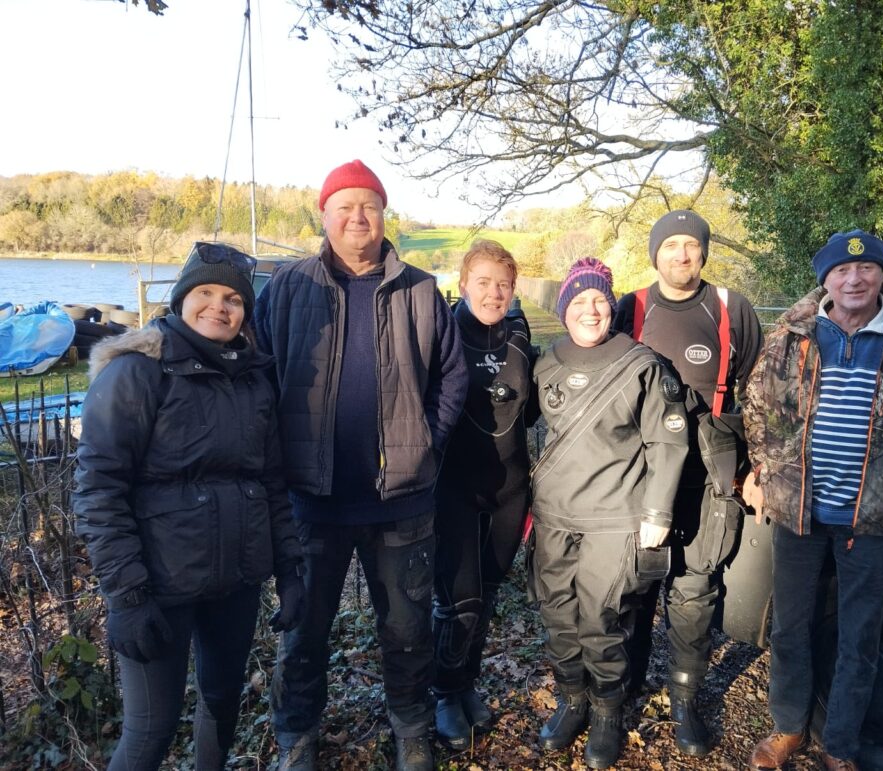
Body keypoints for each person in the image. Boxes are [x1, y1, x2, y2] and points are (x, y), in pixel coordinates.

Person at [254, 159, 468, 771]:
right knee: (303, 633)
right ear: (324, 216)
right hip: (310, 501)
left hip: (402, 500)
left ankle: (411, 730)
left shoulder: (420, 290)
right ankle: (297, 736)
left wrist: (427, 438)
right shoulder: (288, 289)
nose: (357, 217)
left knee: (406, 631)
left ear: (383, 214)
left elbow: (451, 376)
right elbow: (259, 375)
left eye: (369, 205)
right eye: (344, 206)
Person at [73, 242, 305, 771]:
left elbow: (271, 482)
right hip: (160, 585)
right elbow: (99, 490)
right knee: (150, 732)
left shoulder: (252, 379)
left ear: (246, 310)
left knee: (221, 706)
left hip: (236, 581)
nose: (218, 307)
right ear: (181, 300)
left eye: (232, 298)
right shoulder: (137, 374)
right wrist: (127, 595)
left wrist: (290, 569)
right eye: (205, 293)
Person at [742, 230, 883, 771]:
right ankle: (789, 729)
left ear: (881, 276)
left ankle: (840, 746)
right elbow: (756, 405)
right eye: (842, 271)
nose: (855, 279)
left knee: (860, 635)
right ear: (827, 281)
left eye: (865, 270)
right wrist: (769, 472)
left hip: (873, 515)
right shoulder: (791, 336)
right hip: (798, 510)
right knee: (790, 628)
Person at [612, 209, 763, 754]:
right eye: (670, 245)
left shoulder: (731, 308)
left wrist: (756, 468)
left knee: (696, 590)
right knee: (631, 584)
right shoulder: (630, 308)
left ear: (703, 252)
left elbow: (761, 395)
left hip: (711, 471)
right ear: (655, 253)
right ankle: (619, 692)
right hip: (638, 472)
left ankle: (684, 699)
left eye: (691, 245)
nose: (681, 254)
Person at [530, 257, 690, 770]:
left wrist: (658, 512)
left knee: (602, 621)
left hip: (615, 518)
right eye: (579, 301)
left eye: (599, 299)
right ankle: (572, 700)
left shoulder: (641, 365)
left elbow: (666, 443)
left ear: (611, 304)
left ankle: (605, 712)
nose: (590, 310)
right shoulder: (546, 362)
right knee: (558, 614)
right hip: (555, 516)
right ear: (564, 309)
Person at [432, 239, 538, 748]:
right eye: (484, 282)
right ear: (463, 283)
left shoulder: (520, 335)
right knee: (460, 600)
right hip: (453, 487)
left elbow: (531, 406)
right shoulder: (443, 334)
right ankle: (444, 693)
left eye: (503, 284)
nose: (494, 292)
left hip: (510, 490)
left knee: (488, 592)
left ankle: (467, 682)